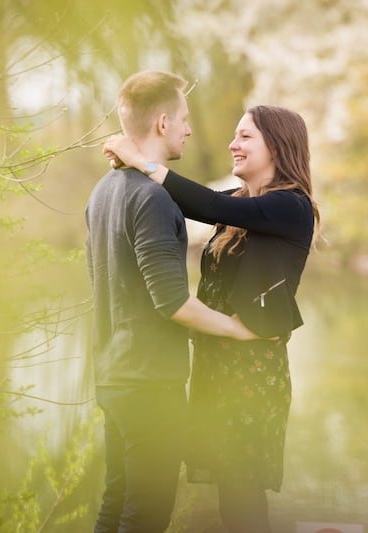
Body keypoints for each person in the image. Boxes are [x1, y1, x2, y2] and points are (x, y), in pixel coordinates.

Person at [103, 104, 319, 533]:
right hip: (216, 360)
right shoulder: (239, 203)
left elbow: (198, 199)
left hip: (252, 368)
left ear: (277, 145)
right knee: (228, 492)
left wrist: (140, 158)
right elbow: (193, 201)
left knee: (242, 492)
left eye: (245, 137)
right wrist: (131, 162)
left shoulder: (291, 206)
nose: (231, 145)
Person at [84, 71, 259, 533]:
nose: (188, 129)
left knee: (115, 504)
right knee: (145, 516)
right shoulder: (154, 200)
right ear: (162, 122)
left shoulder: (103, 192)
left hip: (113, 376)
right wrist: (238, 328)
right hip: (149, 385)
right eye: (182, 119)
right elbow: (173, 302)